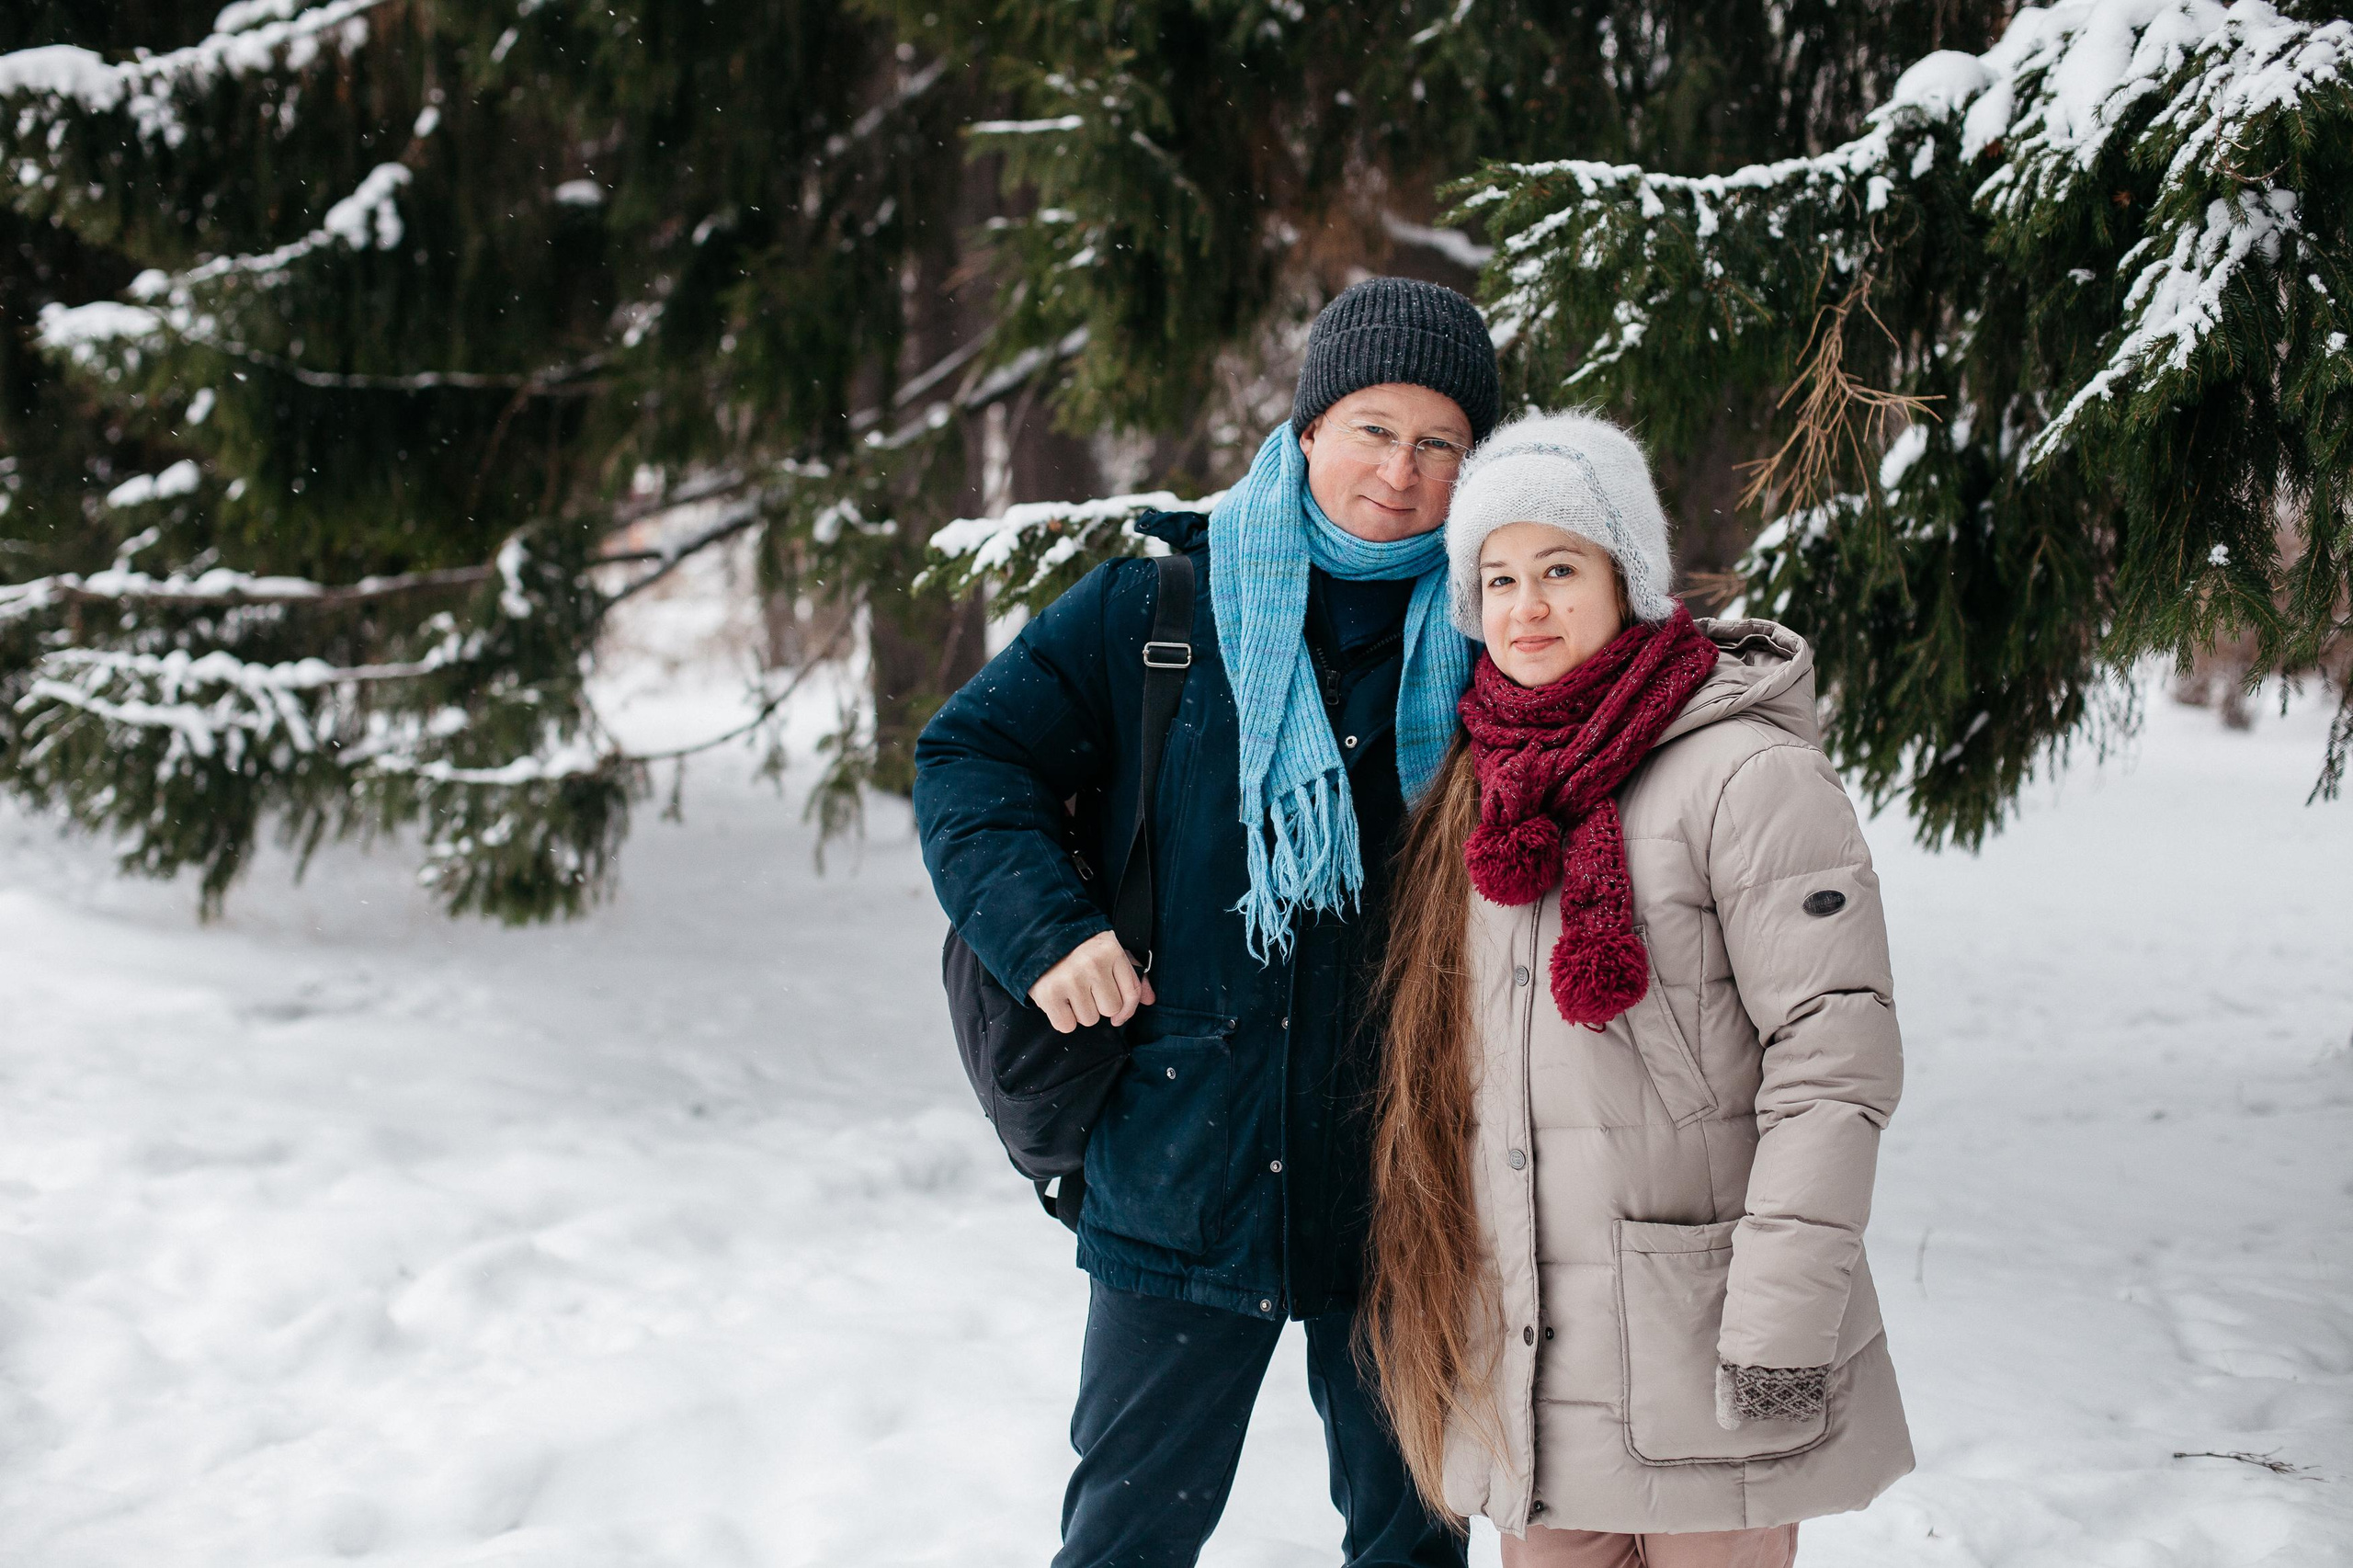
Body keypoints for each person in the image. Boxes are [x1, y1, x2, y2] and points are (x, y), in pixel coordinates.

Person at [914, 278, 1498, 1568]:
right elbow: (970, 758)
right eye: (1371, 427)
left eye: (1440, 442)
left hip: (1407, 1178)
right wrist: (1046, 931)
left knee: (1413, 1543)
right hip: (1182, 1161)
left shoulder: (1500, 642)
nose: (1400, 472)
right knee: (1127, 1539)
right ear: (1304, 434)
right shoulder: (1157, 613)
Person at [1360, 411, 1914, 1568]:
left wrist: (1778, 1330)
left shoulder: (1744, 771)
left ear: (1630, 577)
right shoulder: (1484, 786)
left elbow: (1832, 1060)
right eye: (1498, 578)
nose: (1526, 608)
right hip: (1535, 1366)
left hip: (1708, 1346)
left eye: (1559, 567)